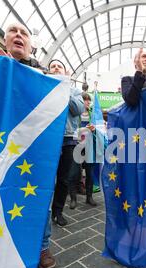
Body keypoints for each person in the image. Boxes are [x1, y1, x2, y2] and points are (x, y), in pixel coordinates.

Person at [0, 23, 58, 268]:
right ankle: (0, 242)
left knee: (40, 195)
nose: (19, 35)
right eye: (13, 31)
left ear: (32, 45)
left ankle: (42, 246)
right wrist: (0, 70)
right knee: (2, 193)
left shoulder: (44, 74)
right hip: (0, 148)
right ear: (5, 40)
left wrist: (18, 69)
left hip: (36, 150)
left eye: (24, 32)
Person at [48, 59, 85, 229]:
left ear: (66, 71)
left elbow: (77, 109)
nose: (56, 68)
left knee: (63, 179)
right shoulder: (44, 85)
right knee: (46, 177)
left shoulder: (75, 90)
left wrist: (65, 86)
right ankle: (43, 210)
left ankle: (57, 212)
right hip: (47, 137)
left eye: (59, 66)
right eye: (52, 66)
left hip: (68, 139)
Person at [68, 92, 97, 209]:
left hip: (89, 146)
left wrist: (94, 129)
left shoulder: (92, 114)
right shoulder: (75, 113)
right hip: (77, 146)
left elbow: (97, 129)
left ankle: (89, 197)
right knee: (73, 173)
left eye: (89, 100)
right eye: (86, 100)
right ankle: (73, 199)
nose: (88, 102)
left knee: (90, 173)